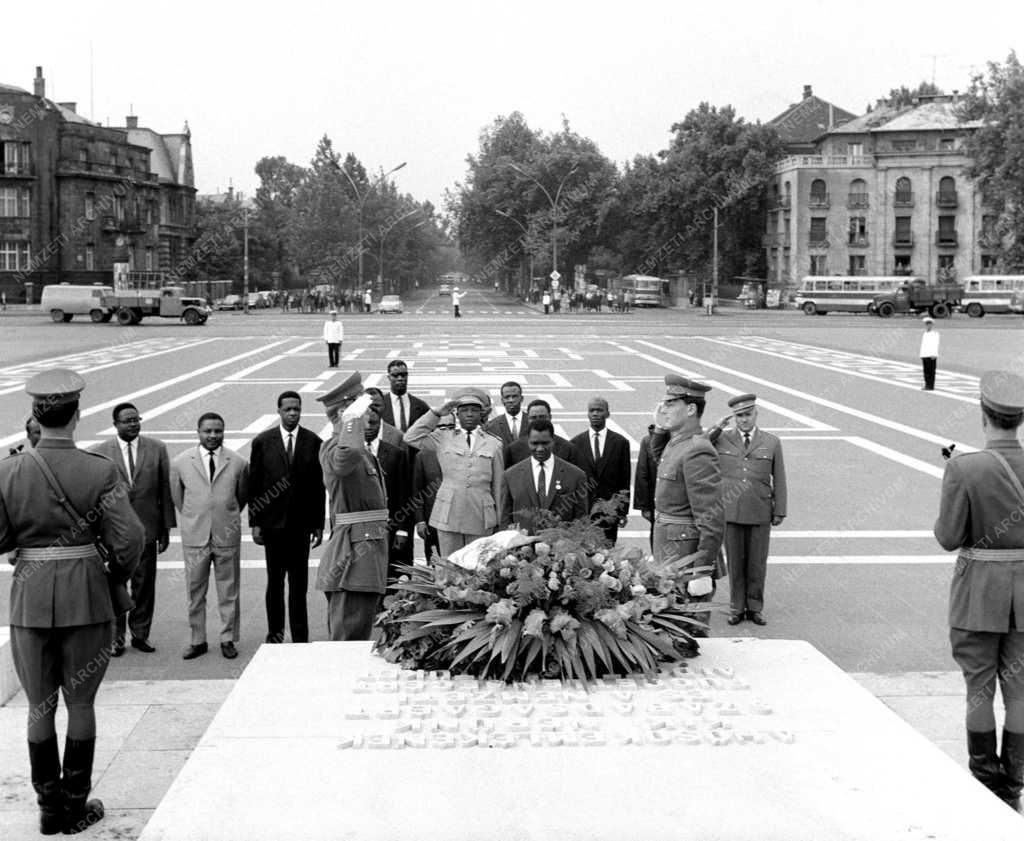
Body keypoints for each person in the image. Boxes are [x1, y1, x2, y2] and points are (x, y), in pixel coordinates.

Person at [0, 369, 144, 835]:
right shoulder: (99, 469)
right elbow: (130, 539)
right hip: (86, 591)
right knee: (80, 703)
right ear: (77, 415)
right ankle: (75, 806)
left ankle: (48, 809)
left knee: (39, 707)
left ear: (36, 416)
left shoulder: (8, 470)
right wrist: (112, 576)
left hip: (30, 596)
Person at [935, 371, 1024, 811]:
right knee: (1021, 692)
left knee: (979, 691)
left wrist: (953, 478)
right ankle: (1015, 784)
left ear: (984, 414)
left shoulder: (964, 467)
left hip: (978, 597)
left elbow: (949, 537)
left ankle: (988, 784)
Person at [91, 403, 175, 655]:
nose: (133, 424)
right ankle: (117, 638)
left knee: (144, 585)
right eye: (127, 420)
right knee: (115, 585)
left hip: (147, 529)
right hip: (113, 534)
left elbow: (164, 491)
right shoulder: (100, 452)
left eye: (136, 419)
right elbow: (94, 495)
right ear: (115, 424)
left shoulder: (157, 449)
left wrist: (165, 528)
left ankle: (141, 635)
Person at [314, 373, 390, 641]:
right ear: (346, 411)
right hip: (354, 555)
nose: (369, 412)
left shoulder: (360, 447)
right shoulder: (337, 447)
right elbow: (345, 459)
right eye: (363, 407)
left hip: (367, 549)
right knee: (347, 638)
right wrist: (350, 422)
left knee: (359, 632)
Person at [649, 375, 725, 638]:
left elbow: (712, 518)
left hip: (687, 559)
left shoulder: (697, 450)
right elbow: (659, 458)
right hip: (672, 553)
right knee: (669, 627)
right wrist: (660, 427)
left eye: (671, 403)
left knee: (686, 634)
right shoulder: (677, 442)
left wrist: (702, 571)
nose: (664, 408)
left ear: (691, 409)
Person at [170, 413, 249, 660]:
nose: (213, 435)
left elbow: (242, 496)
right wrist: (195, 518)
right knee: (195, 592)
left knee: (229, 591)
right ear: (198, 432)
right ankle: (198, 639)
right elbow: (178, 498)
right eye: (208, 431)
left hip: (226, 535)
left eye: (218, 431)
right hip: (195, 537)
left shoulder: (237, 462)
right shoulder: (181, 462)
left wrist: (225, 515)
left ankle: (228, 638)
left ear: (224, 432)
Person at [248, 392, 324, 644]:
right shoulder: (262, 442)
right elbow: (255, 484)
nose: (293, 413)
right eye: (288, 409)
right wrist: (255, 522)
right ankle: (275, 633)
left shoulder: (313, 441)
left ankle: (300, 636)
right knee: (275, 583)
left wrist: (317, 523)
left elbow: (317, 487)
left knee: (299, 585)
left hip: (300, 527)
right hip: (273, 526)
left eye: (297, 409)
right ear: (278, 411)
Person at [707, 394, 787, 626]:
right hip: (731, 511)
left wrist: (779, 509)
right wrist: (717, 427)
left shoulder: (771, 442)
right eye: (739, 416)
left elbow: (779, 478)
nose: (743, 420)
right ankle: (736, 607)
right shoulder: (722, 439)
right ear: (733, 418)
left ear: (756, 414)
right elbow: (699, 444)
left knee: (757, 562)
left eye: (747, 415)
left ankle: (755, 607)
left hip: (760, 509)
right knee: (735, 561)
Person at [404, 390, 504, 557]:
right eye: (464, 410)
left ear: (482, 414)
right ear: (457, 414)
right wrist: (436, 413)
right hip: (448, 512)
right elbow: (410, 437)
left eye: (474, 410)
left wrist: (500, 520)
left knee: (478, 569)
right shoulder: (443, 437)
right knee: (449, 568)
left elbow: (499, 487)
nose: (470, 414)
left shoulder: (494, 443)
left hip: (481, 514)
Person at [500, 419, 588, 534]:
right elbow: (505, 519)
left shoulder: (576, 475)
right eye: (535, 443)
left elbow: (581, 521)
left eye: (545, 443)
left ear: (553, 441)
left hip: (562, 547)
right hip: (523, 548)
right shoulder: (510, 476)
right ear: (528, 442)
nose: (540, 448)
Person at [571, 397, 631, 544]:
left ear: (607, 413)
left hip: (609, 512)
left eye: (599, 410)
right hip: (584, 512)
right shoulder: (575, 443)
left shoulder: (620, 443)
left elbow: (625, 479)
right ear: (587, 414)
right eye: (592, 410)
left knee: (608, 556)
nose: (595, 414)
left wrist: (622, 512)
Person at [363, 409, 412, 578]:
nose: (368, 427)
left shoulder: (396, 454)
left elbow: (404, 496)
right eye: (364, 423)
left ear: (380, 424)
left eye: (373, 423)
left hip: (389, 528)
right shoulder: (348, 454)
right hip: (360, 529)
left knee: (389, 578)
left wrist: (402, 530)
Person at [503, 399, 581, 469]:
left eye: (542, 417)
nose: (538, 421)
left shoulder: (568, 449)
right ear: (527, 419)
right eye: (533, 418)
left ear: (550, 417)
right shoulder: (513, 449)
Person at [379, 360, 431, 435]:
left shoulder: (421, 406)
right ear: (389, 377)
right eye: (395, 375)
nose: (400, 378)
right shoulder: (379, 405)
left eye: (403, 375)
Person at [633, 423, 658, 551]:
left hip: (680, 506)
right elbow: (642, 473)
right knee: (657, 541)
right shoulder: (648, 441)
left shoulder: (685, 439)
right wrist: (644, 506)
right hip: (656, 505)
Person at [484, 380, 529, 445]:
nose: (511, 400)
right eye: (507, 397)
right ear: (502, 400)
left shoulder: (533, 422)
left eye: (514, 396)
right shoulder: (492, 426)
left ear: (521, 398)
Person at [920, 315, 939, 391]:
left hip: (931, 355)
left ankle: (930, 385)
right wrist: (921, 354)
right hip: (925, 354)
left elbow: (935, 345)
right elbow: (923, 345)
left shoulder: (935, 334)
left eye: (929, 324)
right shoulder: (925, 334)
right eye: (926, 324)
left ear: (932, 325)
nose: (928, 325)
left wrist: (934, 354)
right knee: (926, 371)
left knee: (931, 371)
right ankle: (927, 384)